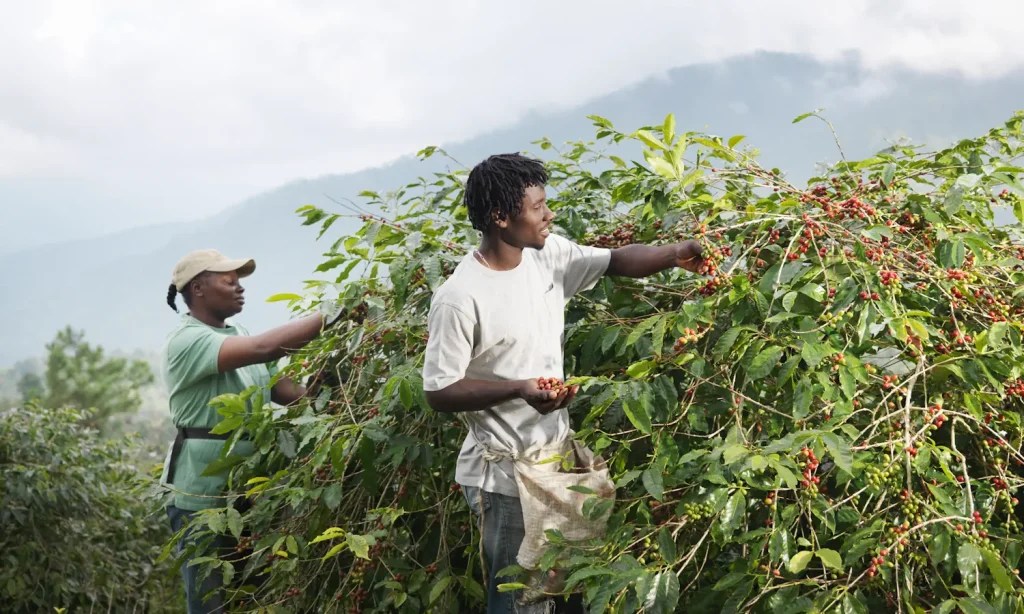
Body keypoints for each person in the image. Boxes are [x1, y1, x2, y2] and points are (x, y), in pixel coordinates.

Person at [422, 153, 704, 613]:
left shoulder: (546, 256)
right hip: (505, 476)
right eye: (538, 207)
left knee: (567, 590)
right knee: (519, 600)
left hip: (555, 461)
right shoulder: (459, 296)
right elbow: (439, 390)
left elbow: (616, 261)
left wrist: (673, 254)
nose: (549, 214)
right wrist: (519, 388)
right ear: (501, 217)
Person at [162, 249, 336, 613]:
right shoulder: (188, 339)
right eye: (229, 281)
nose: (240, 288)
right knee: (212, 601)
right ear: (198, 288)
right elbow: (264, 348)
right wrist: (332, 315)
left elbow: (289, 394)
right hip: (203, 499)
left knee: (254, 596)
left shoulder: (238, 331)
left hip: (252, 492)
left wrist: (329, 381)